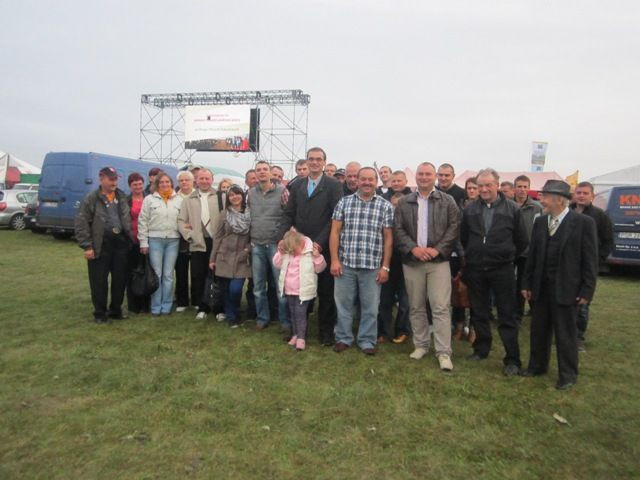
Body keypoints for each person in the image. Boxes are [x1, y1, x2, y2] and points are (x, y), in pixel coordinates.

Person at [521, 180, 598, 390]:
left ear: (558, 199)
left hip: (567, 288)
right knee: (539, 330)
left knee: (565, 334)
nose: (541, 200)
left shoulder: (583, 223)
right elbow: (532, 256)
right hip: (541, 287)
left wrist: (587, 290)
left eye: (545, 196)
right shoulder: (540, 222)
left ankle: (568, 374)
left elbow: (591, 260)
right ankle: (537, 366)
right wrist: (526, 283)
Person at [461, 168, 528, 376]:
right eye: (480, 185)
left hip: (502, 269)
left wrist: (505, 255)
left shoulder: (512, 209)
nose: (483, 189)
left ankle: (512, 359)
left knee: (507, 315)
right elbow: (464, 238)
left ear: (497, 185)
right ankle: (481, 349)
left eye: (488, 185)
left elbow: (522, 240)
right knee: (479, 312)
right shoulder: (470, 210)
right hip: (476, 269)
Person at [394, 162, 460, 371]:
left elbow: (454, 227)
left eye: (428, 174)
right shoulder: (405, 202)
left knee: (440, 307)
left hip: (438, 262)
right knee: (416, 306)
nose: (424, 177)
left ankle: (443, 352)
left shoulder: (447, 201)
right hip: (413, 262)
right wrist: (413, 249)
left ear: (435, 177)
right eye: (420, 174)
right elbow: (398, 229)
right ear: (416, 177)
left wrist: (437, 249)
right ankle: (421, 345)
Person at [278, 147, 344, 345]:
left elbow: (335, 217)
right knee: (299, 292)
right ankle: (299, 332)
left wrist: (320, 242)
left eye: (318, 159)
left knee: (325, 292)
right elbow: (288, 213)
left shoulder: (333, 186)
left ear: (324, 162)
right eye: (311, 159)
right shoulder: (297, 185)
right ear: (306, 162)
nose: (314, 162)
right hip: (298, 248)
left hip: (321, 247)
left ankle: (325, 333)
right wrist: (284, 236)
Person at [330, 167, 394, 355]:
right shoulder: (344, 202)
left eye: (370, 179)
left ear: (376, 182)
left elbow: (388, 239)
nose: (367, 183)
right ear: (357, 181)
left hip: (372, 266)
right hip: (346, 264)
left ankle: (367, 340)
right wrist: (334, 260)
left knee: (371, 308)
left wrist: (385, 267)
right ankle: (343, 338)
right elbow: (334, 232)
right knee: (344, 305)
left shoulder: (385, 206)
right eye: (363, 179)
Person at [75, 167, 133, 323]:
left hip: (120, 243)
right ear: (102, 178)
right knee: (99, 281)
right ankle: (100, 313)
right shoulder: (91, 198)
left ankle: (116, 310)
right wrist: (87, 246)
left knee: (120, 280)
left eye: (116, 179)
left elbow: (126, 218)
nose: (114, 182)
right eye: (111, 179)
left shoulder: (121, 196)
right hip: (100, 244)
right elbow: (81, 223)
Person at [571, 181, 613, 350]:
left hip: (587, 267)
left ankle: (578, 337)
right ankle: (564, 332)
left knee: (582, 303)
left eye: (585, 193)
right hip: (567, 266)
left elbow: (608, 241)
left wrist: (597, 260)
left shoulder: (599, 216)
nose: (581, 196)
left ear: (592, 196)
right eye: (578, 192)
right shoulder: (567, 212)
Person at [248, 160, 290, 332]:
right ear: (255, 174)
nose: (262, 172)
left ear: (271, 173)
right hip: (257, 244)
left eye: (265, 169)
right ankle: (262, 318)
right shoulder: (251, 193)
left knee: (280, 285)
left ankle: (285, 321)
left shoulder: (282, 191)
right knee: (258, 287)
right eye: (259, 170)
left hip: (275, 244)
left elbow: (288, 216)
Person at [178, 168, 221, 320]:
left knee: (218, 276)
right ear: (197, 180)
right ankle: (202, 307)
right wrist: (190, 236)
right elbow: (181, 221)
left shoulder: (220, 197)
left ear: (212, 179)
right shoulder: (188, 199)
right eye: (201, 178)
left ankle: (218, 308)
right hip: (198, 243)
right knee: (198, 275)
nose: (204, 181)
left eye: (207, 178)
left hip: (216, 243)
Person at [273, 229, 327, 351]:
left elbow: (320, 268)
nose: (293, 251)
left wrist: (318, 257)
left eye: (294, 248)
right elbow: (277, 264)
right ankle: (295, 334)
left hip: (303, 291)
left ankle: (301, 338)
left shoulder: (310, 253)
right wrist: (280, 253)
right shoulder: (288, 253)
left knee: (300, 314)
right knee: (292, 313)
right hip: (289, 290)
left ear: (301, 243)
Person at [138, 172, 182, 316]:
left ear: (171, 183)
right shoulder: (149, 199)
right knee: (156, 274)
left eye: (167, 182)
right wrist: (143, 242)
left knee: (168, 275)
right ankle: (156, 306)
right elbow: (143, 221)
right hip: (155, 240)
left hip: (173, 240)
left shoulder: (178, 199)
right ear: (157, 184)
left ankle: (167, 306)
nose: (165, 184)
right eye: (161, 182)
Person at [209, 185, 252, 327]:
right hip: (224, 255)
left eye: (237, 194)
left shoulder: (250, 213)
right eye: (231, 195)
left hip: (241, 257)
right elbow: (218, 236)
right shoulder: (224, 214)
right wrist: (212, 258)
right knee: (225, 289)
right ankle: (232, 316)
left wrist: (247, 249)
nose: (235, 197)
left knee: (236, 289)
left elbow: (254, 236)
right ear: (228, 198)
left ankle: (234, 310)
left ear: (242, 195)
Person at [377, 191, 412, 344]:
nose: (396, 208)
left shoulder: (411, 222)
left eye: (399, 205)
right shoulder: (384, 221)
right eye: (393, 205)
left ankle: (402, 330)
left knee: (405, 303)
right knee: (384, 301)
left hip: (406, 265)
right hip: (387, 265)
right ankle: (383, 331)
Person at [513, 175, 543, 324]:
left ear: (529, 188)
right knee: (511, 285)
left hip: (528, 253)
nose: (522, 190)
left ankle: (535, 314)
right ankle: (516, 315)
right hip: (511, 253)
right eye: (519, 186)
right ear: (514, 188)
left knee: (525, 285)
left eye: (525, 187)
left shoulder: (537, 208)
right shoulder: (507, 205)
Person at [126, 172, 150, 314]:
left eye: (140, 184)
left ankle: (146, 304)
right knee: (132, 273)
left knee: (146, 272)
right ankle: (133, 305)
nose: (138, 186)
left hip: (147, 240)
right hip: (131, 241)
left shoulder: (150, 198)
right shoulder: (126, 200)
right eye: (135, 184)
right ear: (130, 186)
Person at [175, 170, 195, 312]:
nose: (184, 182)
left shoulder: (198, 196)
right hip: (178, 240)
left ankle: (196, 300)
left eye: (187, 180)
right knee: (180, 272)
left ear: (192, 181)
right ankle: (181, 301)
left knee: (196, 272)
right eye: (181, 180)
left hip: (195, 238)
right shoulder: (173, 197)